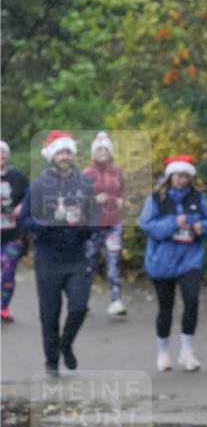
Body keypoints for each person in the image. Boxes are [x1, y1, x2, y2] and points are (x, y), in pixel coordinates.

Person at [19, 131, 98, 376]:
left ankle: (66, 344)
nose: (64, 157)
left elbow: (95, 219)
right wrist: (49, 220)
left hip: (76, 256)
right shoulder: (39, 185)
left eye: (68, 152)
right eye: (60, 152)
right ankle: (51, 361)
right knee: (49, 314)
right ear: (52, 156)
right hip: (48, 257)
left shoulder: (84, 184)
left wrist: (82, 223)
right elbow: (25, 220)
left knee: (79, 306)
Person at [139, 154, 207, 372]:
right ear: (170, 176)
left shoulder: (197, 197)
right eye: (179, 176)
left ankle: (187, 351)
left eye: (186, 176)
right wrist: (174, 223)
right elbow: (146, 225)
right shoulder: (155, 198)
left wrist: (201, 228)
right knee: (166, 307)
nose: (182, 180)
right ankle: (163, 351)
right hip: (162, 261)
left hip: (190, 259)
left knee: (192, 301)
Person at [83, 131, 127, 316]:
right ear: (94, 152)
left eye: (106, 149)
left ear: (110, 152)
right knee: (89, 264)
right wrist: (94, 201)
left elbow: (123, 193)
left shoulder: (118, 172)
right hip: (92, 226)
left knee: (113, 262)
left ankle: (116, 300)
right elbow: (79, 201)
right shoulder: (86, 173)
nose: (103, 152)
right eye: (99, 149)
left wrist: (120, 201)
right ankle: (82, 301)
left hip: (113, 224)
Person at [1, 140, 29, 323]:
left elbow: (31, 196)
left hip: (12, 235)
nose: (0, 156)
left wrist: (21, 206)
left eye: (3, 152)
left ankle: (3, 307)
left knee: (8, 271)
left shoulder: (17, 176)